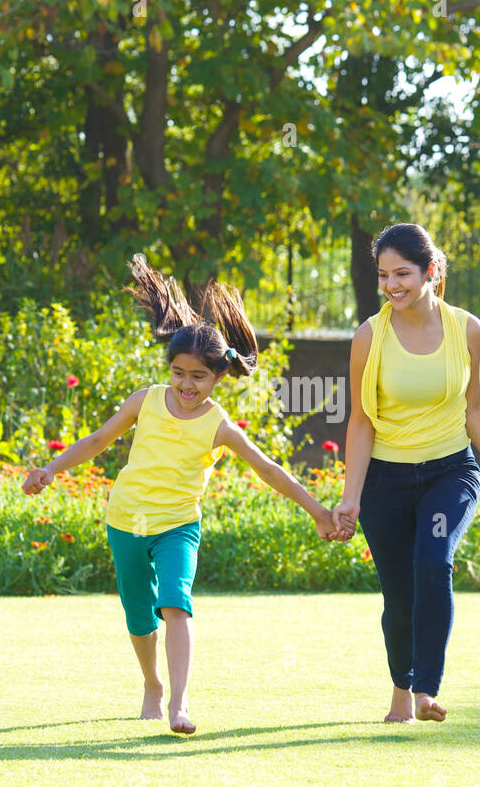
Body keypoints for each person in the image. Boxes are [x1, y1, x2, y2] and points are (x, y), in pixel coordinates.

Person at [23, 257, 346, 735]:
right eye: (179, 372)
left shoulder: (219, 425)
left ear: (217, 377)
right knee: (138, 613)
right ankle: (151, 684)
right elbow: (96, 441)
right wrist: (50, 469)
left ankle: (179, 702)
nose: (186, 384)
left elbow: (268, 469)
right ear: (169, 369)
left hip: (178, 527)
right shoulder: (146, 400)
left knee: (175, 603)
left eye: (198, 376)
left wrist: (318, 511)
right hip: (126, 520)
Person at [332, 223, 480, 724]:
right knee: (398, 592)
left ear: (430, 272)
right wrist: (350, 497)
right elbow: (360, 421)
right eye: (383, 275)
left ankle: (426, 689)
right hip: (386, 479)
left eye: (401, 273)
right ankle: (401, 691)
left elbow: (475, 410)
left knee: (433, 560)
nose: (391, 285)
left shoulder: (467, 329)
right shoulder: (369, 336)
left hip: (450, 472)